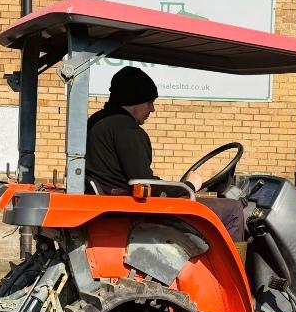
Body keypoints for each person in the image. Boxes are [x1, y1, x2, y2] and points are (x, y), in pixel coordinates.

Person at [85, 66, 245, 241]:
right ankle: (230, 268)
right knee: (233, 209)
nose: (152, 109)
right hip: (134, 212)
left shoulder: (97, 121)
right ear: (134, 99)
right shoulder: (127, 130)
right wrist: (189, 186)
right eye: (149, 102)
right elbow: (145, 184)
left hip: (113, 206)